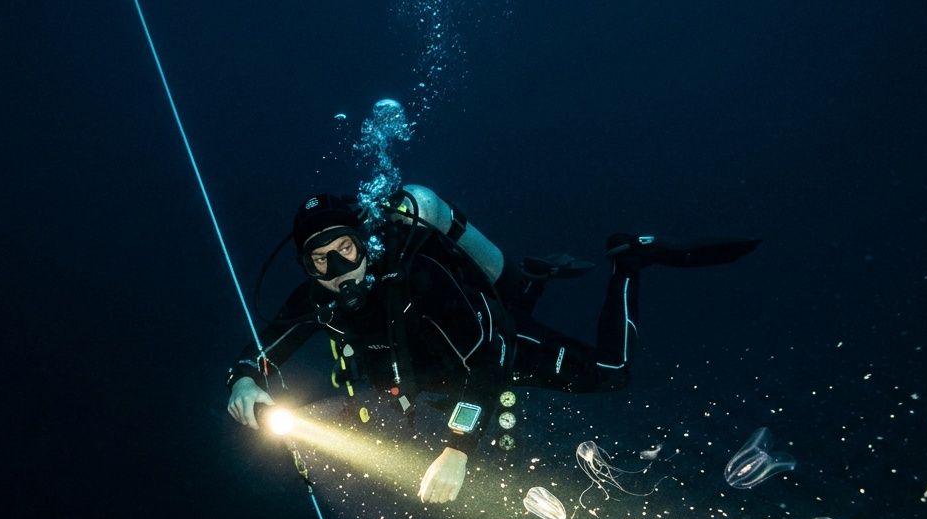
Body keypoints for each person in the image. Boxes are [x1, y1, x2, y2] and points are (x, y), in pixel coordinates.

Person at [226, 184, 758, 503]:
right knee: (514, 300)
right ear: (307, 268)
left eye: (345, 248)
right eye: (321, 260)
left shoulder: (419, 278)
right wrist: (244, 380)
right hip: (442, 374)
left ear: (364, 241)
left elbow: (486, 364)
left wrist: (457, 449)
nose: (339, 269)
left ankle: (629, 260)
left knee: (613, 372)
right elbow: (262, 349)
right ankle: (531, 279)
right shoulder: (314, 301)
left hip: (499, 345)